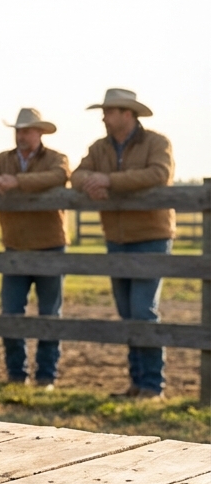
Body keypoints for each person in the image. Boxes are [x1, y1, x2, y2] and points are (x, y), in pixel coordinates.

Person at [70, 88, 176, 400]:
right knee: (127, 312)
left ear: (126, 114)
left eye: (109, 111)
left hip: (151, 236)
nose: (103, 117)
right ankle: (137, 383)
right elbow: (76, 174)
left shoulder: (157, 143)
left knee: (143, 311)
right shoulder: (99, 147)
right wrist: (92, 182)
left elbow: (159, 174)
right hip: (116, 238)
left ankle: (153, 386)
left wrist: (110, 181)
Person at [0, 108, 70, 388]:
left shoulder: (55, 158)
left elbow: (59, 176)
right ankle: (16, 375)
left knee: (50, 315)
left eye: (26, 130)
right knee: (11, 313)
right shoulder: (3, 160)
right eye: (18, 130)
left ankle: (46, 377)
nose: (21, 135)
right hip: (15, 246)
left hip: (50, 245)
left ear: (39, 133)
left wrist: (16, 182)